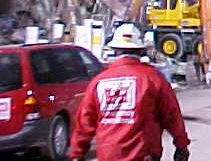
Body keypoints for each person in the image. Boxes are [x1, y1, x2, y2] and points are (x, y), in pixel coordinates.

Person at [69, 23, 190, 161]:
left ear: (115, 50)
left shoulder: (99, 81)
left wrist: (77, 153)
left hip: (108, 155)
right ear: (140, 51)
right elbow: (171, 115)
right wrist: (181, 145)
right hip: (144, 155)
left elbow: (85, 120)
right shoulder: (152, 78)